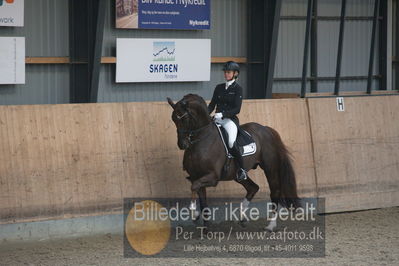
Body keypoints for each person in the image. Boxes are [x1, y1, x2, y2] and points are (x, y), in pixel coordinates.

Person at [208, 61, 247, 182]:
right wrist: (206, 114)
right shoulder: (219, 87)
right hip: (217, 119)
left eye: (228, 72)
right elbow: (212, 104)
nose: (226, 74)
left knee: (230, 142)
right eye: (225, 72)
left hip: (229, 120)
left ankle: (242, 170)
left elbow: (237, 108)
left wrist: (223, 114)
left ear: (235, 73)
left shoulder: (238, 89)